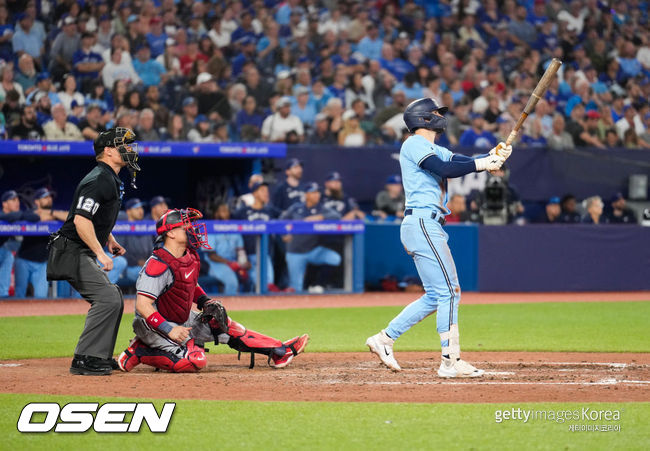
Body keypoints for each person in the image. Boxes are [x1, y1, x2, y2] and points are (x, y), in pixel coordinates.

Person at [366, 97, 509, 377]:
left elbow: (458, 161)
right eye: (435, 112)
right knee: (450, 292)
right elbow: (445, 169)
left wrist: (492, 156)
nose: (440, 116)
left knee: (436, 295)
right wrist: (483, 164)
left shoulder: (432, 147)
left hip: (424, 223)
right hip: (422, 222)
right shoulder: (415, 143)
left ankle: (384, 339)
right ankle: (450, 361)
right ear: (423, 118)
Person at [116, 208, 309, 372]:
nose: (192, 230)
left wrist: (205, 302)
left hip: (181, 319)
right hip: (153, 325)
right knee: (193, 361)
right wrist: (170, 329)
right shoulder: (158, 264)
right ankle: (139, 350)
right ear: (171, 233)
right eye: (186, 226)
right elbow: (142, 305)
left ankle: (280, 350)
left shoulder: (189, 257)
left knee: (224, 324)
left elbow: (190, 285)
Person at [46, 127, 141, 376]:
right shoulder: (99, 178)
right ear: (108, 151)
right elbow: (81, 220)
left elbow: (96, 217)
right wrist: (100, 253)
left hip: (78, 249)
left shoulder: (108, 176)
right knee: (108, 298)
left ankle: (97, 355)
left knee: (114, 296)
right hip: (71, 251)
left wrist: (109, 239)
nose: (130, 149)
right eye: (125, 145)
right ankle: (84, 358)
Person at [280, 182, 342, 292]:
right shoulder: (296, 208)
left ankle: (318, 284)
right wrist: (284, 234)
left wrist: (320, 217)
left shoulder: (321, 209)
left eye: (318, 192)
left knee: (334, 258)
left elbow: (337, 216)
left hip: (313, 250)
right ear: (306, 195)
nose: (317, 195)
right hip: (295, 252)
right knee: (296, 287)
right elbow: (280, 221)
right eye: (313, 192)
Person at [14, 188, 67, 298]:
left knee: (41, 297)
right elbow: (37, 217)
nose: (49, 199)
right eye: (45, 197)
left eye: (49, 197)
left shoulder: (54, 213)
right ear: (37, 201)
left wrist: (51, 213)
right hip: (24, 260)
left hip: (42, 263)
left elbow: (69, 217)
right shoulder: (29, 212)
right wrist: (52, 216)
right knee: (19, 296)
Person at [232, 181, 282, 291]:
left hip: (265, 254)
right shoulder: (243, 212)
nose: (266, 193)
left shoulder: (270, 210)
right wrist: (240, 256)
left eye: (267, 191)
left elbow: (286, 219)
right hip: (247, 255)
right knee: (256, 284)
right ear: (254, 193)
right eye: (262, 191)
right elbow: (229, 229)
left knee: (266, 284)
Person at [203, 203, 250, 295]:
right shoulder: (209, 229)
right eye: (223, 211)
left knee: (253, 276)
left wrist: (243, 262)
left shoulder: (233, 228)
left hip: (233, 262)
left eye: (227, 210)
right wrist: (229, 263)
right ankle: (230, 307)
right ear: (216, 214)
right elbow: (211, 255)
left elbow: (240, 250)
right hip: (215, 264)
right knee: (232, 283)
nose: (227, 213)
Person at [118, 198, 153, 286]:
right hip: (128, 267)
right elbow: (119, 251)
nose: (141, 211)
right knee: (147, 275)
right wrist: (137, 262)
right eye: (137, 208)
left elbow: (151, 249)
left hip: (145, 265)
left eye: (141, 208)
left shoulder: (144, 227)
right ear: (128, 211)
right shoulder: (121, 227)